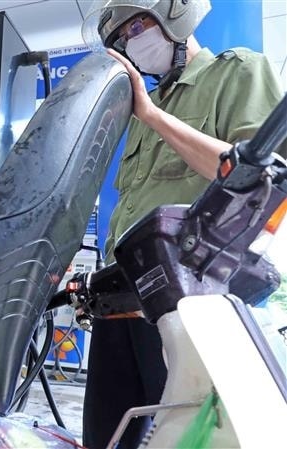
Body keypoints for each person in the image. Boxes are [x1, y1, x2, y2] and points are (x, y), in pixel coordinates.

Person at [79, 1, 286, 448]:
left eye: (137, 25)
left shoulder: (236, 73)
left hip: (188, 301)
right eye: (123, 37)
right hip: (122, 299)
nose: (131, 40)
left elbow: (258, 181)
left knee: (182, 434)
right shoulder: (146, 105)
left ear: (176, 15)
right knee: (105, 434)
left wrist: (155, 118)